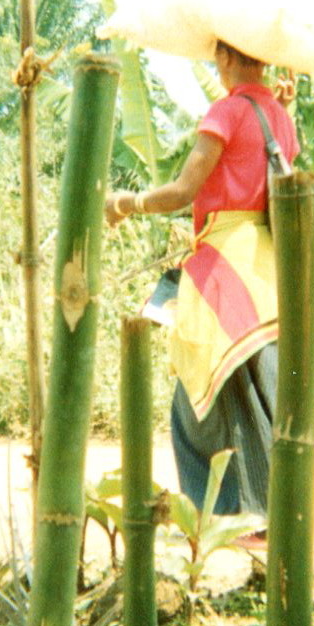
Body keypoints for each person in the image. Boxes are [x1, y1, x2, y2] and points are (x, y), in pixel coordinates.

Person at [104, 40, 299, 549]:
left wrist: (124, 202)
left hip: (223, 259)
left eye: (219, 56)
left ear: (230, 58)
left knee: (198, 396)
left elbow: (183, 191)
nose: (216, 65)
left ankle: (231, 517)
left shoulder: (227, 112)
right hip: (267, 259)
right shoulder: (279, 115)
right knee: (258, 388)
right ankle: (263, 516)